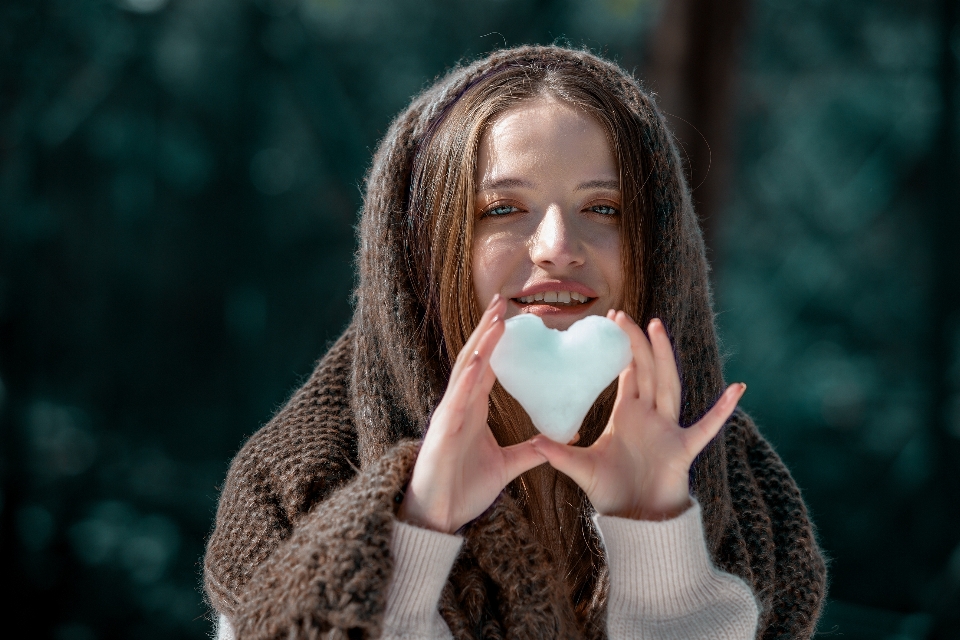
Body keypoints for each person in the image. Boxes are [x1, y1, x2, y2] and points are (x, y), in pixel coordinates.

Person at [203, 46, 827, 640]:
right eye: (501, 209)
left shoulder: (748, 513)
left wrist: (657, 543)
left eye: (604, 208)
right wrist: (418, 532)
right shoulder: (291, 497)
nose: (557, 244)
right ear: (426, 253)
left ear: (659, 248)